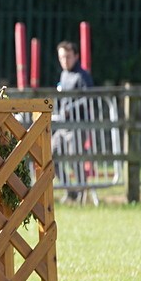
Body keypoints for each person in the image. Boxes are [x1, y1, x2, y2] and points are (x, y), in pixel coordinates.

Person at [55, 40, 94, 201]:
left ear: (76, 56)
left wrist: (70, 109)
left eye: (68, 57)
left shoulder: (82, 76)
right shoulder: (63, 75)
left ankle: (81, 193)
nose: (65, 60)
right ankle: (70, 190)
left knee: (74, 158)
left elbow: (89, 99)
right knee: (49, 155)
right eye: (62, 57)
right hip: (63, 126)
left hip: (78, 126)